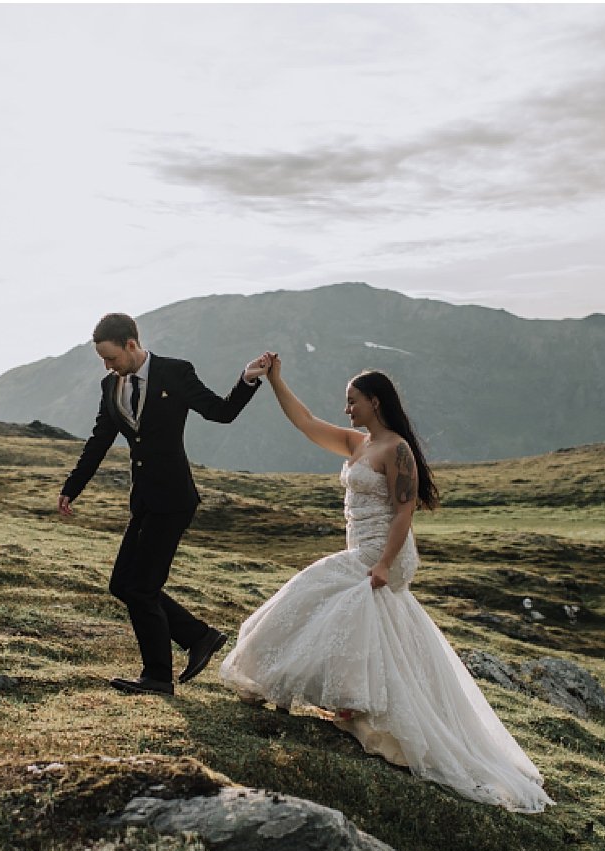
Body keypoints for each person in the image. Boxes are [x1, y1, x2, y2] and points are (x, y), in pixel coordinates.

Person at [218, 354, 553, 811]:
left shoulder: (397, 450)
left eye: (353, 401)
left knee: (312, 592)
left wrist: (383, 564)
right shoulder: (357, 444)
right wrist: (276, 380)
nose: (346, 410)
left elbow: (404, 511)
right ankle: (350, 704)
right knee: (355, 616)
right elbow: (305, 421)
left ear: (374, 402)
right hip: (362, 549)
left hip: (383, 552)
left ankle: (336, 699)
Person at [59, 312, 268, 696]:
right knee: (123, 584)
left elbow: (221, 412)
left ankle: (157, 676)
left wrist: (247, 380)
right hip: (143, 501)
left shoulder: (175, 372)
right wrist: (73, 487)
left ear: (131, 345)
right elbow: (100, 440)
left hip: (173, 500)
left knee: (141, 588)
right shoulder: (110, 386)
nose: (107, 366)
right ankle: (198, 637)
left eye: (111, 358)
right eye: (103, 360)